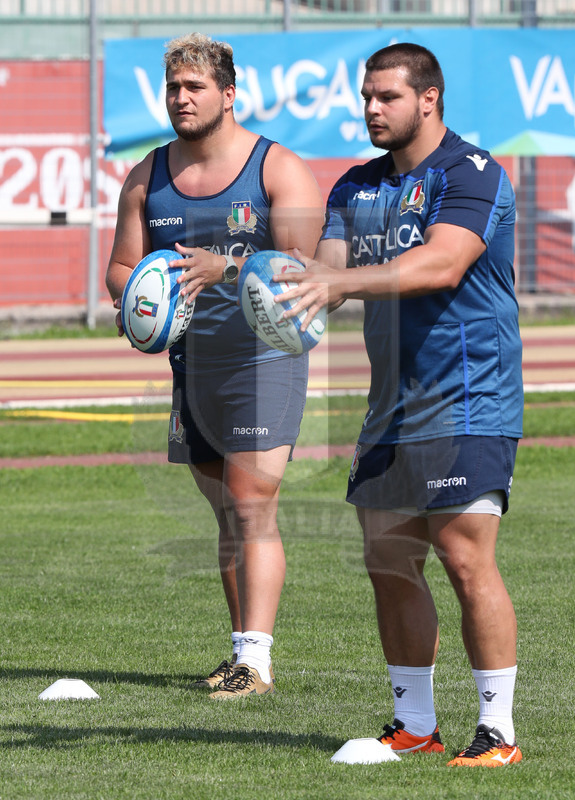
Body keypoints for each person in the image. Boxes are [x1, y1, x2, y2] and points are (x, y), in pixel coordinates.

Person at [275, 43, 524, 765]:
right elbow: (325, 271)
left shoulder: (471, 173)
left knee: (462, 555)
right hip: (392, 407)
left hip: (469, 395)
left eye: (387, 96)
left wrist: (340, 284)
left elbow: (441, 262)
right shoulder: (355, 186)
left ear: (429, 99)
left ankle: (498, 733)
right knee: (388, 559)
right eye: (367, 96)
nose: (372, 109)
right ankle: (414, 725)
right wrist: (255, 281)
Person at [106, 33, 324, 699]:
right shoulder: (147, 175)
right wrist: (139, 302)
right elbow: (119, 268)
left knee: (251, 502)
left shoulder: (277, 169)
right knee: (226, 511)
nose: (181, 98)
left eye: (195, 86)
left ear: (228, 94)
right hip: (190, 366)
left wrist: (225, 267)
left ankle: (256, 663)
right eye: (173, 88)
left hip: (266, 358)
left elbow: (304, 274)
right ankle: (239, 651)